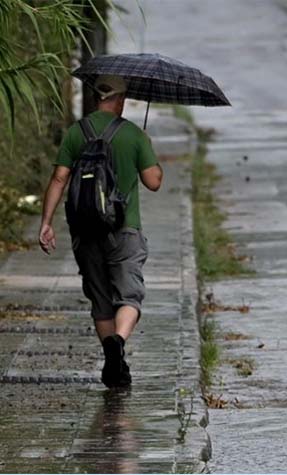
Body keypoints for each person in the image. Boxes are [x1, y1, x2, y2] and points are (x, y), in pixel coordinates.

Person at [38, 75, 163, 388]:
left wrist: (46, 223)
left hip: (85, 231)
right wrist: (146, 146)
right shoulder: (133, 134)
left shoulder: (76, 132)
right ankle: (117, 343)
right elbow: (154, 182)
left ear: (95, 98)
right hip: (125, 229)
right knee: (130, 296)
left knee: (100, 301)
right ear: (121, 100)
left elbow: (58, 179)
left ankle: (114, 364)